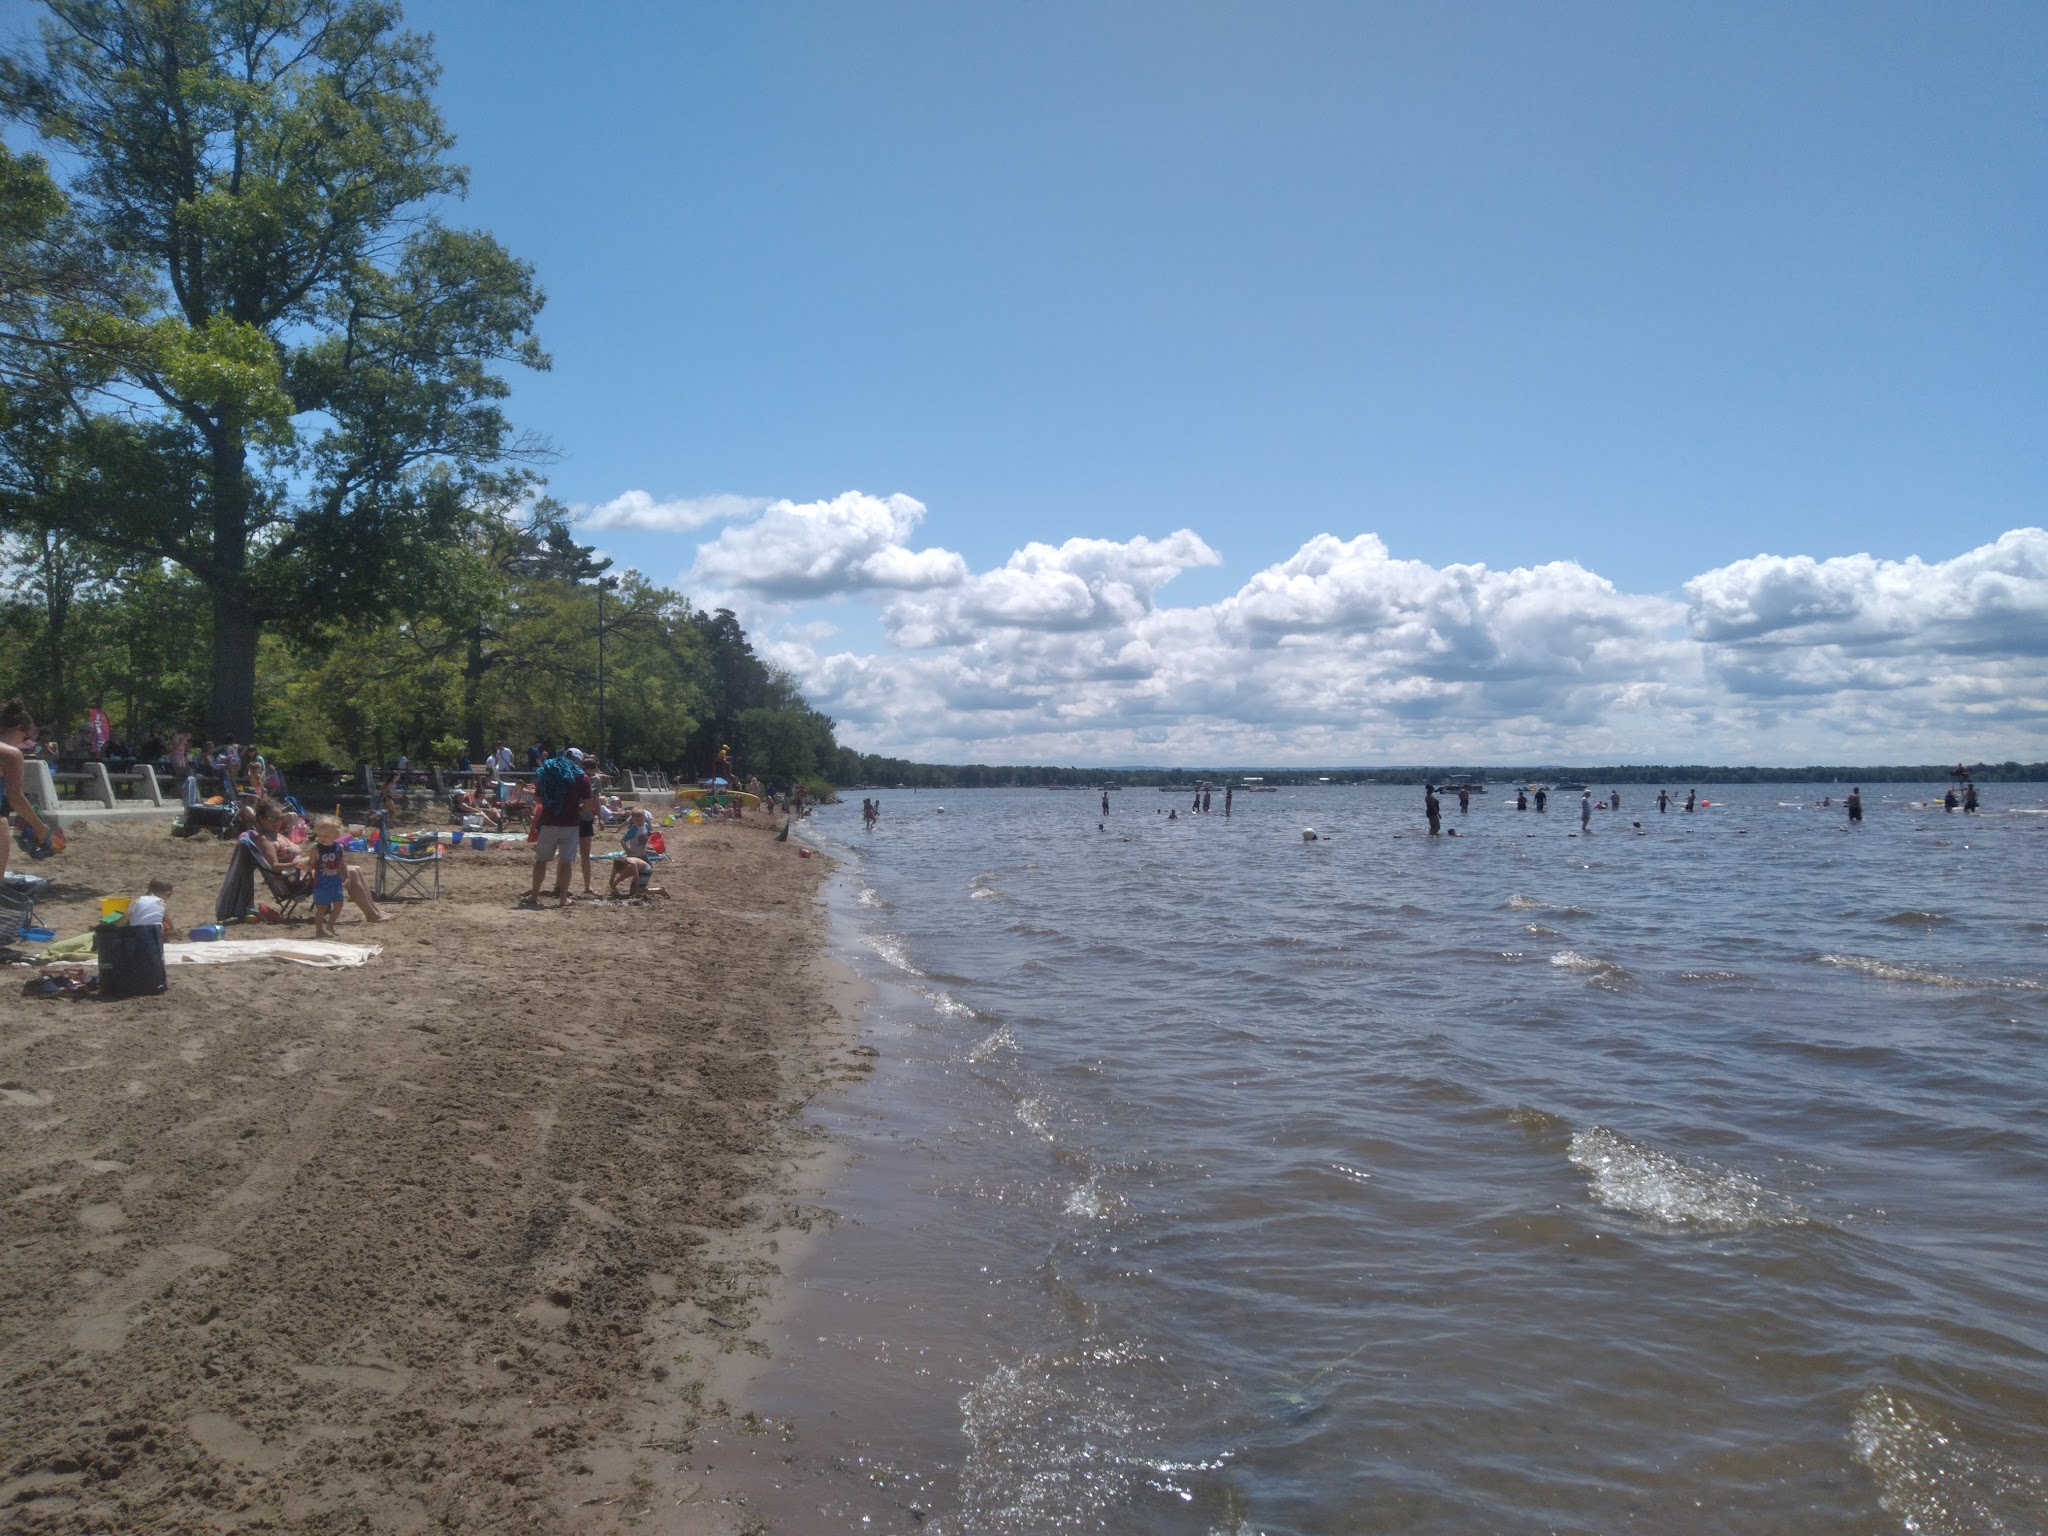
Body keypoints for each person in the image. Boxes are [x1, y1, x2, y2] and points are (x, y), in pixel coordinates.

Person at [1, 698, 63, 882]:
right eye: (25, 737)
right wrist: (40, 827)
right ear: (16, 729)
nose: (22, 743)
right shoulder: (10, 755)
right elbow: (16, 799)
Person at [526, 746, 591, 907]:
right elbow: (588, 805)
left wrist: (551, 806)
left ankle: (534, 896)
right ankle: (563, 898)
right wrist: (575, 808)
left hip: (548, 822)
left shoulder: (549, 772)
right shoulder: (581, 777)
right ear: (578, 760)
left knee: (541, 860)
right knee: (566, 861)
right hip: (570, 824)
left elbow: (537, 798)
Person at [306, 817, 350, 939]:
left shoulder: (339, 847)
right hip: (321, 883)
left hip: (335, 881)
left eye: (326, 835)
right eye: (319, 835)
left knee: (339, 905)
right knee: (321, 908)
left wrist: (346, 876)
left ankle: (330, 925)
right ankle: (319, 930)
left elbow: (342, 863)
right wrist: (306, 867)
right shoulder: (316, 849)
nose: (322, 838)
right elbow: (311, 864)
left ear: (336, 835)